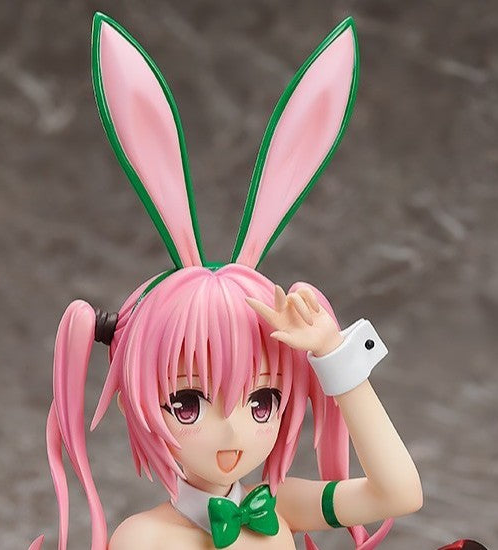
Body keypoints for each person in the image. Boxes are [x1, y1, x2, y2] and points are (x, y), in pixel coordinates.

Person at [29, 12, 424, 550]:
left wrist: (335, 357)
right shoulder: (144, 539)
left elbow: (399, 493)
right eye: (187, 404)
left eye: (262, 401)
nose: (234, 431)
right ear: (131, 401)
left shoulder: (282, 506)